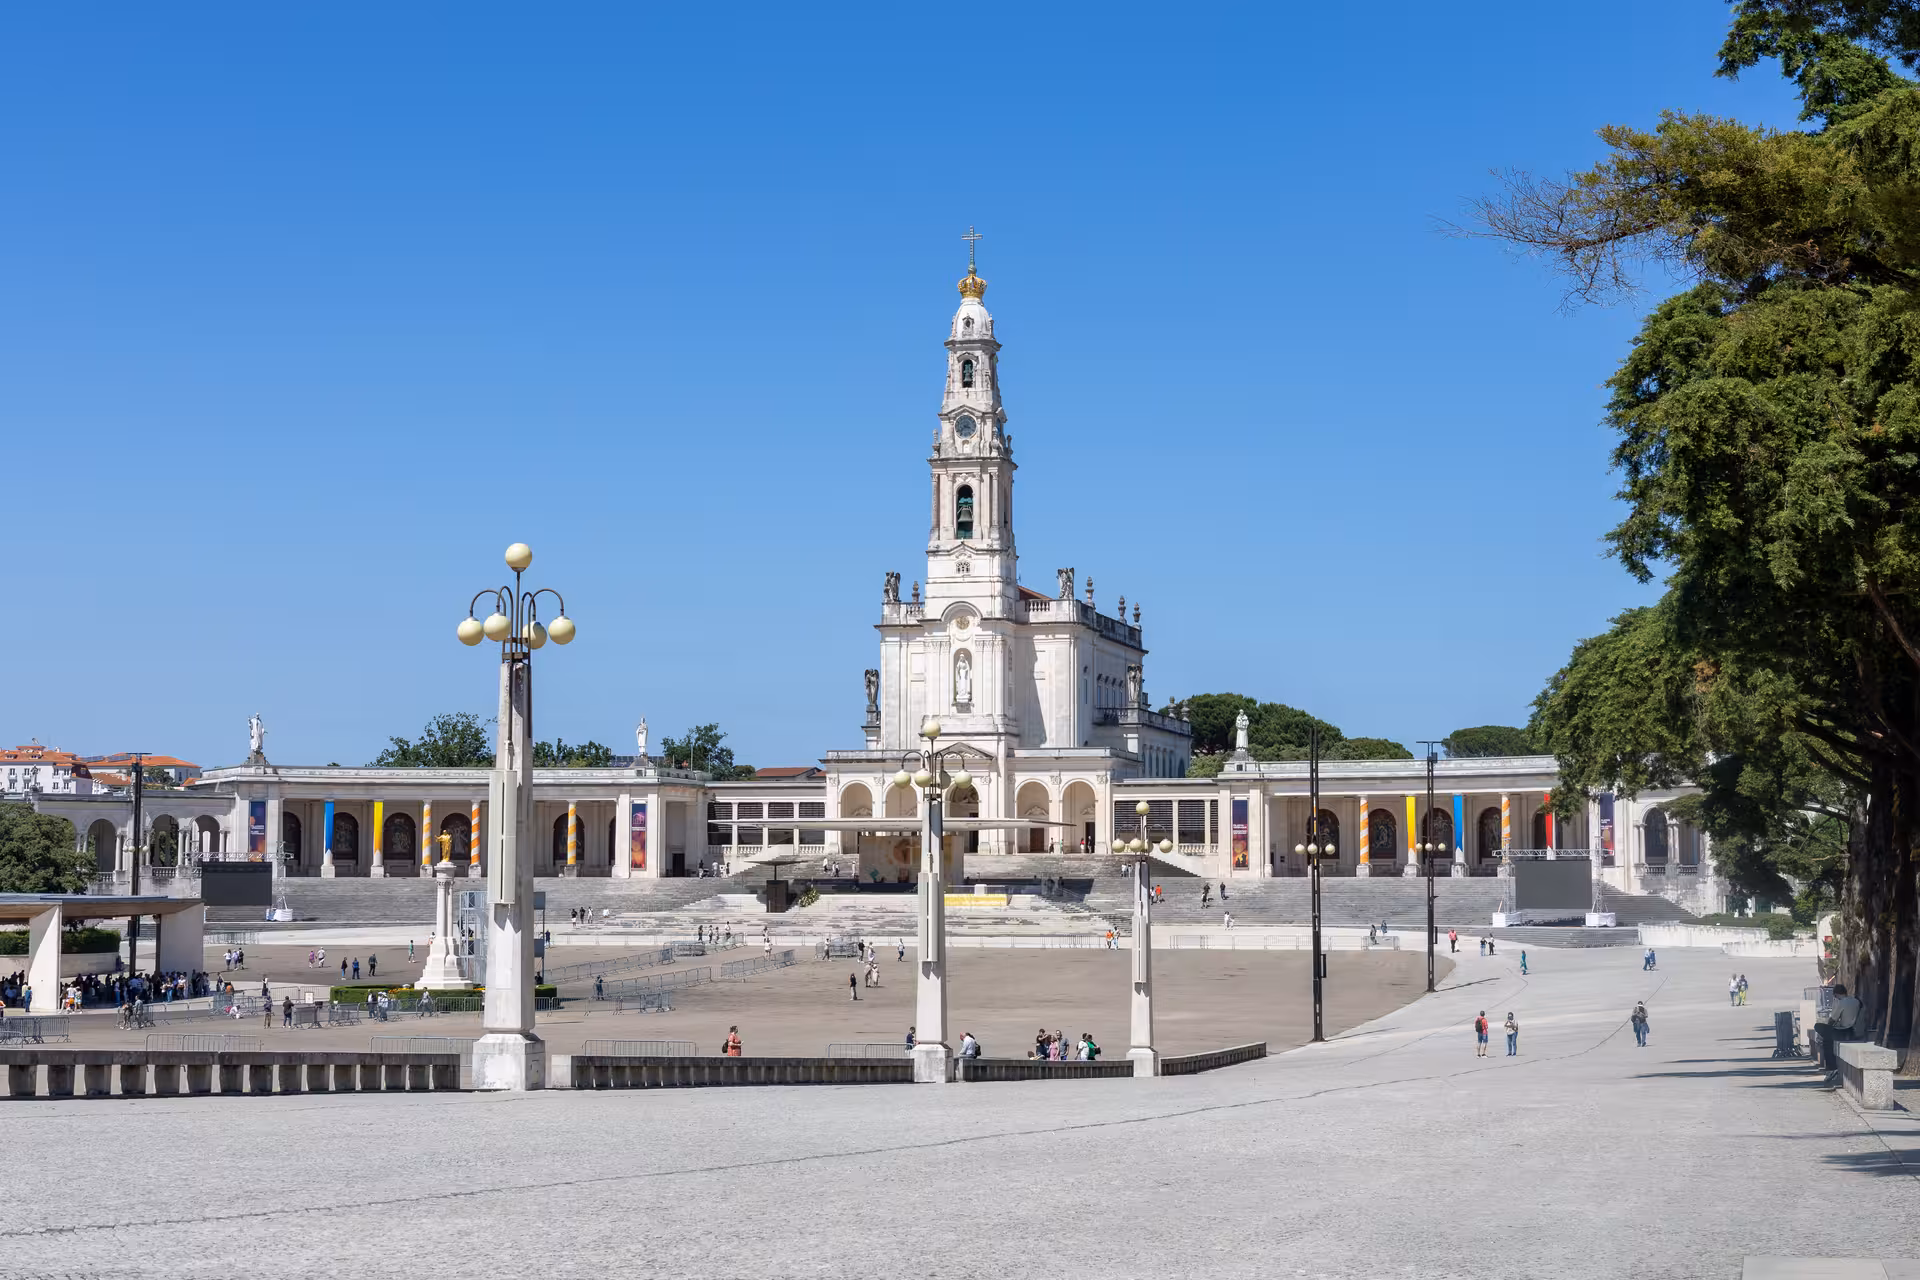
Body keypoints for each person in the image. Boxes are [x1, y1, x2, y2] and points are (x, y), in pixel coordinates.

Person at [1813, 983, 1863, 1071]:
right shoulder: (1856, 1001)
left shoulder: (1841, 1002)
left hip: (1844, 1030)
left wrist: (1827, 1029)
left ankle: (1831, 1067)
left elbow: (1833, 1019)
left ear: (1836, 994)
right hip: (1853, 1030)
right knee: (1827, 1037)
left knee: (1819, 1029)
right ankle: (1831, 1067)